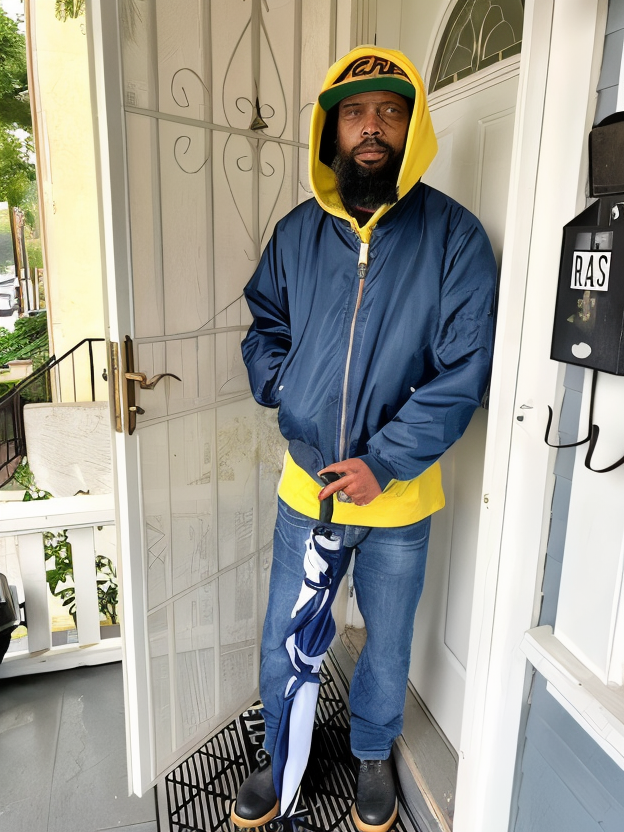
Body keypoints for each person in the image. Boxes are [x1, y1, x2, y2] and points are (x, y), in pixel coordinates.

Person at [231, 46, 497, 832]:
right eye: (354, 113)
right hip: (306, 491)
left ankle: (373, 753)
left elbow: (463, 369)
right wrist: (287, 390)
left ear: (412, 127)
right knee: (287, 638)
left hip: (398, 498)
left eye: (388, 111)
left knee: (385, 644)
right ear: (333, 131)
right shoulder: (296, 234)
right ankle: (281, 752)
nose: (371, 127)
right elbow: (265, 329)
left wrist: (383, 462)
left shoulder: (455, 237)